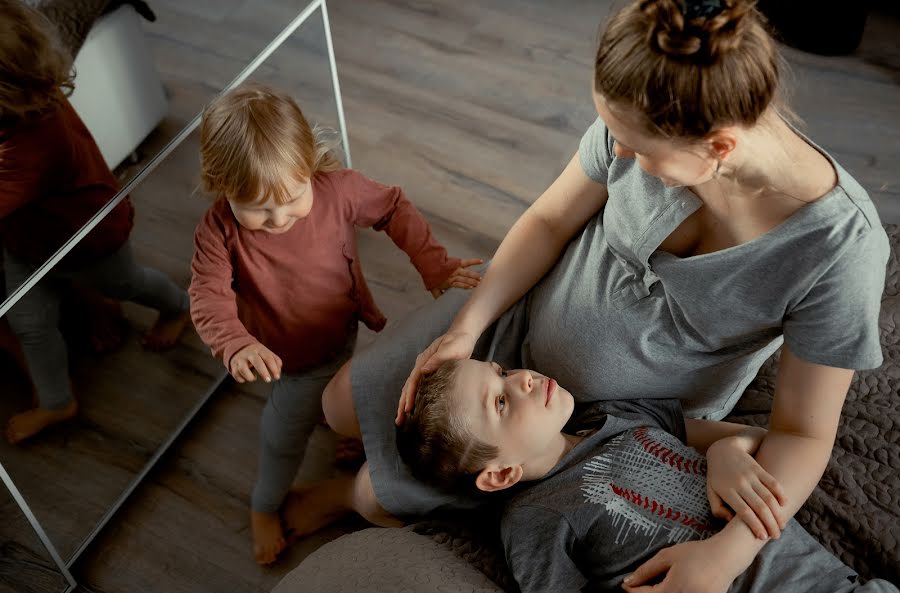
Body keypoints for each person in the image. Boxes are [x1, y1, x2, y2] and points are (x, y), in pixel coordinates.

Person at [291, 0, 889, 588]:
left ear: (719, 148)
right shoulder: (642, 109)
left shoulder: (837, 251)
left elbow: (804, 434)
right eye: (613, 129)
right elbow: (550, 222)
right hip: (507, 342)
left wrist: (726, 555)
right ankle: (369, 466)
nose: (618, 152)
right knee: (339, 404)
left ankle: (349, 494)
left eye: (638, 149)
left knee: (381, 492)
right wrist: (467, 329)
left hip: (610, 424)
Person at [189, 82, 482, 565]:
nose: (278, 217)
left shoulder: (339, 189)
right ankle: (264, 505)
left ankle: (344, 425)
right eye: (257, 208)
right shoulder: (217, 231)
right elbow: (206, 294)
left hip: (340, 331)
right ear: (220, 187)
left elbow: (392, 205)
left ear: (310, 164)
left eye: (291, 196)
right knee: (281, 436)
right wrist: (234, 343)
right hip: (281, 358)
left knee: (342, 386)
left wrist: (434, 263)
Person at [396, 359, 898, 593]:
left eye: (502, 370)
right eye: (501, 401)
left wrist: (727, 449)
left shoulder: (620, 413)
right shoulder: (533, 519)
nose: (521, 379)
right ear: (501, 474)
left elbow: (761, 439)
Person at [0, 0, 191, 445]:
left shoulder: (33, 145)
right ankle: (56, 401)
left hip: (86, 240)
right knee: (29, 321)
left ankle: (178, 306)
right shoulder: (25, 108)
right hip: (27, 242)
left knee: (128, 284)